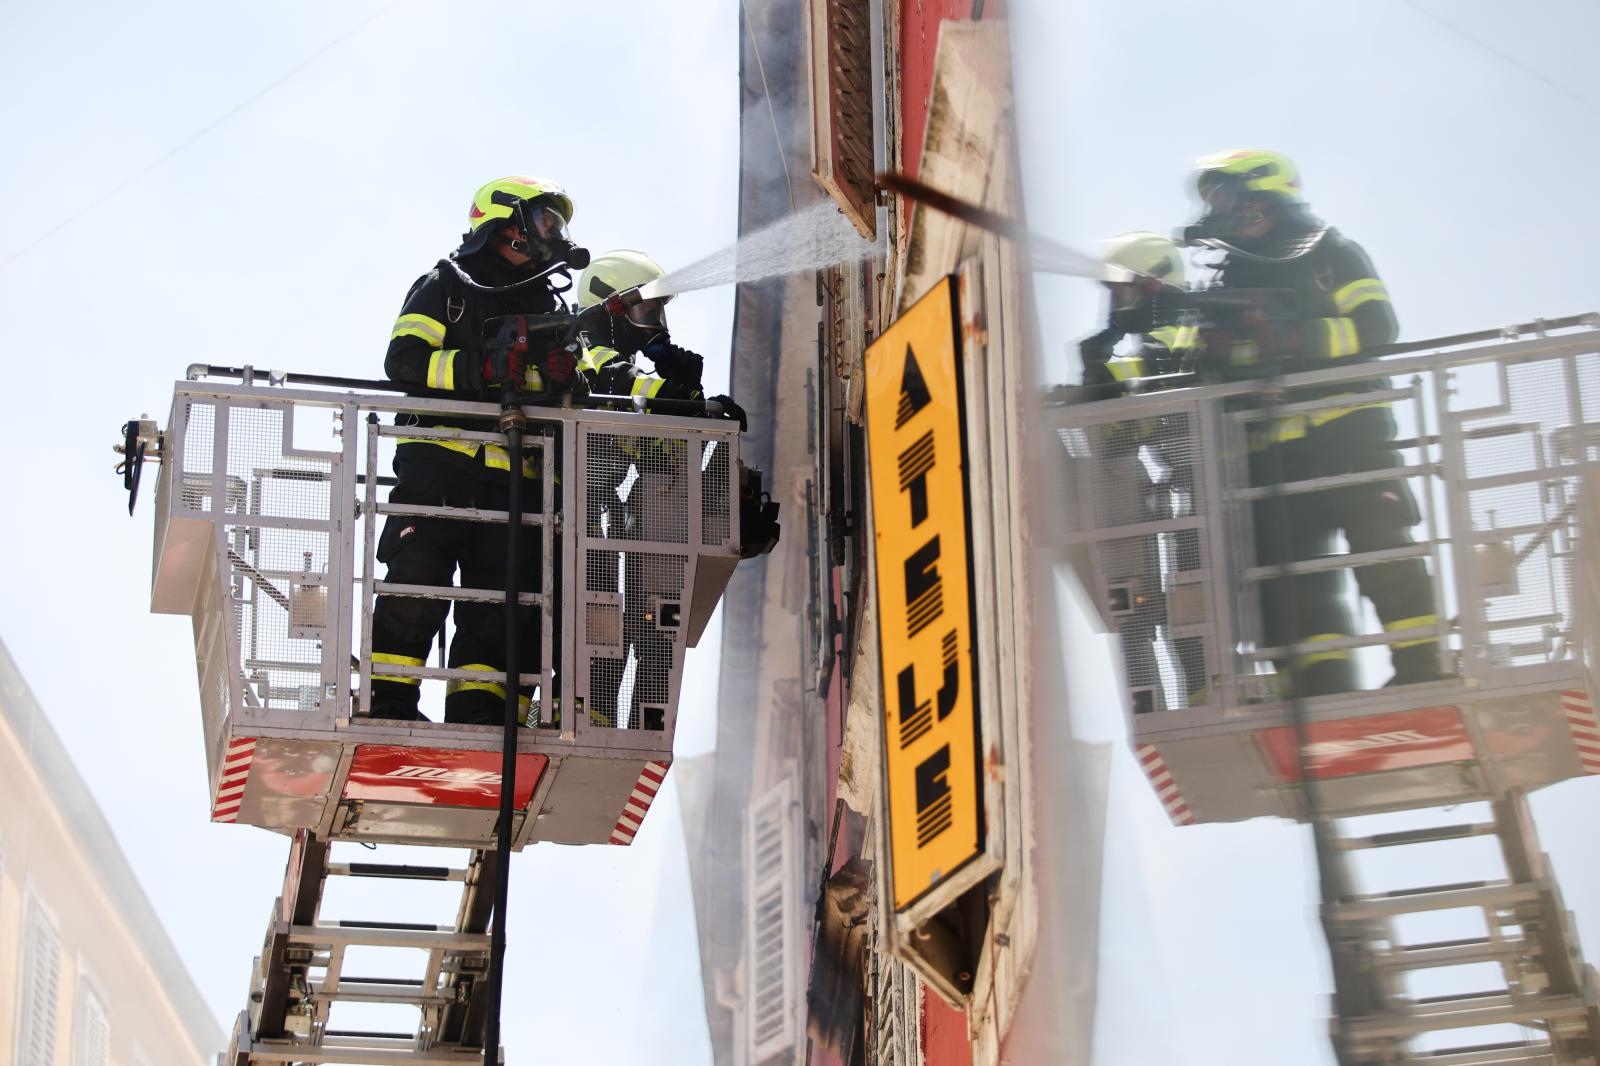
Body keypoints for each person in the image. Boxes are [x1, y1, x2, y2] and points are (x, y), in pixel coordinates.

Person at [1184, 149, 1442, 693]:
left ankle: (1423, 668)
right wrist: (1220, 351)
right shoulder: (1225, 282)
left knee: (1381, 547)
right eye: (1216, 203)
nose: (1225, 210)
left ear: (1267, 193)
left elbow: (1377, 325)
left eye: (1231, 197)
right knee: (1292, 582)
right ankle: (1321, 688)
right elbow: (1219, 372)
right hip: (1272, 454)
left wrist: (1295, 336)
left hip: (1350, 434)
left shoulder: (1332, 253)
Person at [368, 176, 587, 724]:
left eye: (551, 229)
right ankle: (390, 704)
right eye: (538, 222)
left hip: (518, 480)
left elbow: (571, 399)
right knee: (417, 577)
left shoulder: (551, 306)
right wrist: (481, 368)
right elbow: (405, 360)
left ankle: (483, 723)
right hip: (439, 463)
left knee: (504, 608)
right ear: (499, 221)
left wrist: (563, 379)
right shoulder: (447, 285)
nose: (540, 236)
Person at [1079, 233, 1209, 711]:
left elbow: (1150, 374)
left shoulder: (1186, 324)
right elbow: (1122, 431)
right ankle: (1199, 697)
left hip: (1214, 494)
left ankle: (1203, 695)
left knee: (1196, 613)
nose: (1115, 304)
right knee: (1184, 615)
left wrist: (1098, 369)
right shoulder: (1166, 331)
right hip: (1193, 496)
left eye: (1120, 291)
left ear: (1151, 286)